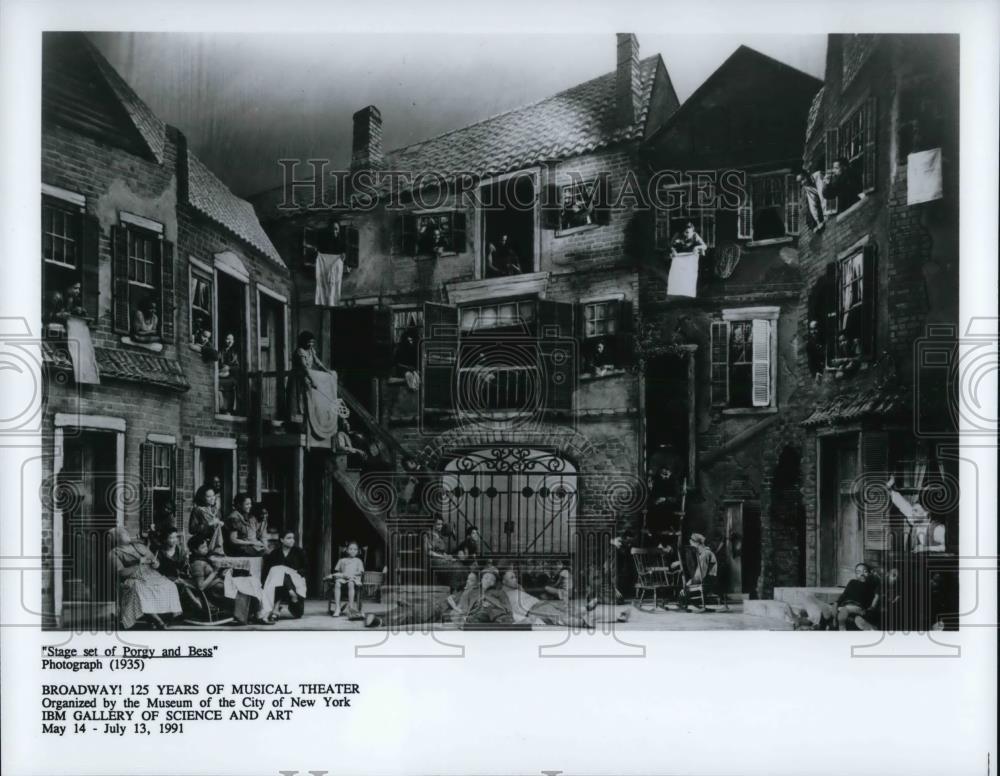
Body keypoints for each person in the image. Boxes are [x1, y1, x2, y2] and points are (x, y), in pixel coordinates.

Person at [107, 526, 181, 630]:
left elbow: (154, 561)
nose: (126, 534)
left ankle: (166, 616)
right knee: (141, 589)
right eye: (122, 533)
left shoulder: (139, 546)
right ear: (115, 538)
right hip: (133, 577)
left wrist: (156, 563)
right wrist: (138, 563)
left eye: (125, 532)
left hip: (151, 574)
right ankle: (157, 620)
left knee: (170, 585)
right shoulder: (114, 553)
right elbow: (121, 573)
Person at [187, 535, 271, 625]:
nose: (206, 549)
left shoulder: (204, 559)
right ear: (195, 550)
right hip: (216, 591)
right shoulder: (197, 564)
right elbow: (201, 586)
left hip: (221, 586)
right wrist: (215, 572)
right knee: (246, 588)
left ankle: (257, 614)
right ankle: (251, 616)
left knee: (251, 583)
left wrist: (222, 572)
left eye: (206, 546)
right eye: (202, 547)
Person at [886, 477, 947, 553]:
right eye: (913, 510)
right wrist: (888, 486)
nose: (912, 513)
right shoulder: (914, 520)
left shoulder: (938, 528)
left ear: (926, 513)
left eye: (916, 511)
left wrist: (926, 548)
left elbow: (945, 547)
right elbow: (900, 502)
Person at [287, 330, 333, 425]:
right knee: (298, 400)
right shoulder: (300, 351)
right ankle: (297, 424)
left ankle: (307, 422)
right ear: (303, 341)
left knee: (307, 400)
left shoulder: (311, 350)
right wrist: (312, 381)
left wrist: (327, 370)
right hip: (298, 379)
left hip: (305, 377)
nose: (311, 344)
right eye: (309, 342)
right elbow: (304, 367)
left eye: (312, 342)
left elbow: (317, 362)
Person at [261, 530, 308, 622]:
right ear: (282, 540)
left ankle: (277, 607)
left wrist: (294, 572)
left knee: (298, 614)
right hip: (277, 584)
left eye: (293, 538)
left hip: (295, 580)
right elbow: (267, 570)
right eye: (289, 538)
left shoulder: (299, 552)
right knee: (278, 573)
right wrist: (262, 584)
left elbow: (306, 568)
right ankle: (283, 601)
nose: (292, 540)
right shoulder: (275, 553)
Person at [818, 562, 879, 631]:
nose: (862, 574)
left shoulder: (871, 585)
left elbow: (874, 598)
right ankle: (824, 627)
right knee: (826, 608)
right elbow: (844, 595)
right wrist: (836, 603)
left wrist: (870, 608)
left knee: (845, 611)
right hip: (845, 604)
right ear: (856, 574)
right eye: (858, 572)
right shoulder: (852, 582)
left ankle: (841, 627)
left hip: (858, 606)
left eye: (865, 572)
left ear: (869, 573)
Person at [678, 533, 718, 613]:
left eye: (692, 545)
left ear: (696, 543)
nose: (692, 548)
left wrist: (688, 584)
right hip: (709, 579)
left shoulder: (705, 554)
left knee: (684, 589)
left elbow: (700, 575)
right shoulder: (705, 553)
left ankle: (685, 604)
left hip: (708, 580)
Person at [328, 541, 365, 617]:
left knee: (351, 583)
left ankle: (351, 608)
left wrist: (351, 575)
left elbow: (360, 572)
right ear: (347, 550)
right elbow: (337, 571)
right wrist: (342, 575)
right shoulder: (342, 560)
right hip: (343, 578)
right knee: (337, 583)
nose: (352, 551)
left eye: (355, 549)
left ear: (357, 551)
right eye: (350, 549)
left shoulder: (358, 561)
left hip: (353, 578)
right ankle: (337, 608)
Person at [189, 485, 225, 556]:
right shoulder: (198, 510)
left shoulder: (216, 510)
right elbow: (192, 529)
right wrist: (208, 524)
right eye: (208, 497)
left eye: (213, 495)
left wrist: (222, 524)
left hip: (216, 542)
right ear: (202, 497)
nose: (212, 498)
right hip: (203, 544)